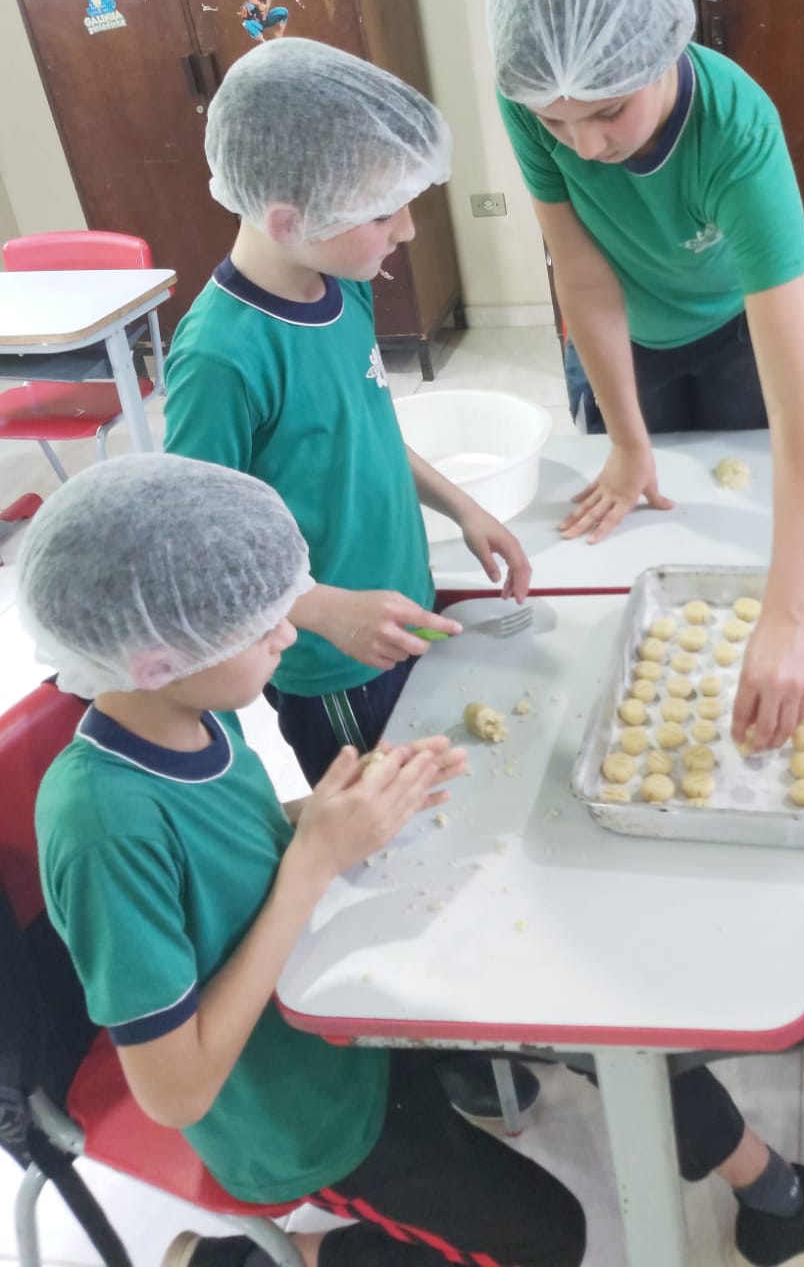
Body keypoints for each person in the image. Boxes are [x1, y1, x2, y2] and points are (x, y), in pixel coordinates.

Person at [27, 454, 585, 1267]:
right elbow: (174, 1088)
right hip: (292, 1115)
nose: (289, 632)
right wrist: (313, 861)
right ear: (158, 655)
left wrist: (335, 813)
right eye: (259, 627)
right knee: (544, 1239)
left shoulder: (194, 714)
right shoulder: (104, 826)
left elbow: (231, 846)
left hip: (335, 1031)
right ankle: (237, 1261)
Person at [487, 0, 804, 753]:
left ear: (664, 54)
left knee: (743, 497)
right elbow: (582, 275)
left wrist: (791, 618)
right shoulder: (536, 97)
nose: (582, 143)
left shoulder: (737, 135)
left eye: (606, 112)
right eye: (556, 122)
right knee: (634, 527)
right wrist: (627, 439)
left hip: (731, 331)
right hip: (621, 337)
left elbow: (800, 403)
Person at [163, 38, 532, 792]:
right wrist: (324, 609)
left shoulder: (344, 283)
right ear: (289, 219)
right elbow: (198, 549)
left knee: (430, 784)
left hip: (399, 600)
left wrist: (462, 507)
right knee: (378, 812)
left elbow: (368, 430)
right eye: (383, 212)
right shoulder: (221, 358)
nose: (408, 230)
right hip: (328, 660)